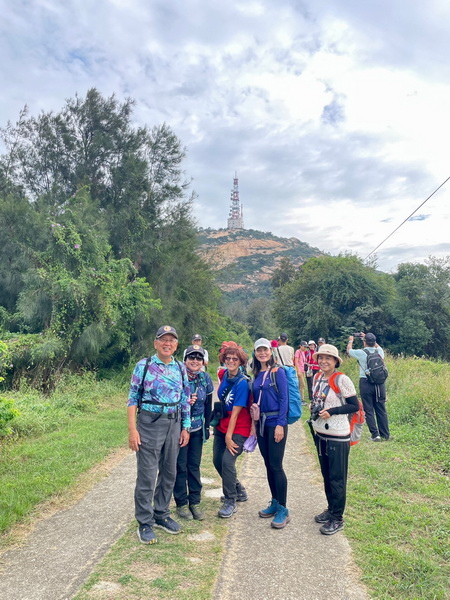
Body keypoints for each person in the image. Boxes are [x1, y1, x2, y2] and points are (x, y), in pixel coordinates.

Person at [127, 325, 191, 545]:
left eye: (172, 340)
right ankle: (145, 521)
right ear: (156, 343)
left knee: (169, 471)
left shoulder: (180, 368)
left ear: (176, 344)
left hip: (173, 423)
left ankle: (161, 513)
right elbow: (132, 398)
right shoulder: (144, 366)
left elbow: (185, 398)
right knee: (147, 473)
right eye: (163, 339)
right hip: (149, 423)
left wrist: (186, 426)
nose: (167, 343)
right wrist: (132, 430)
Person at [310, 344, 359, 535]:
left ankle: (337, 518)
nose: (323, 361)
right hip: (321, 433)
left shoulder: (342, 379)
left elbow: (353, 406)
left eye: (328, 358)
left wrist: (332, 411)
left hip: (338, 435)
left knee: (337, 478)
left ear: (335, 361)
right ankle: (331, 509)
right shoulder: (317, 377)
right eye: (321, 358)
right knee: (327, 475)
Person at [252, 338, 290, 529]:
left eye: (265, 350)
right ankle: (274, 501)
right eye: (259, 350)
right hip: (261, 424)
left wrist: (281, 425)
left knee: (276, 465)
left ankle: (283, 508)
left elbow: (284, 399)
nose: (262, 353)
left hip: (275, 422)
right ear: (255, 353)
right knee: (268, 464)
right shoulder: (257, 373)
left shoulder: (278, 371)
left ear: (271, 352)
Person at [174, 345, 213, 521]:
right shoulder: (177, 377)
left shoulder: (205, 378)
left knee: (194, 465)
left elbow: (208, 404)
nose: (195, 361)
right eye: (191, 357)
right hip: (179, 429)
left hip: (197, 428)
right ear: (185, 359)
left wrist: (207, 426)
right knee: (180, 465)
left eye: (198, 358)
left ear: (202, 361)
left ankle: (195, 502)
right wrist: (184, 402)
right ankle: (181, 503)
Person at [213, 341, 251, 518]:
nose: (231, 361)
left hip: (238, 429)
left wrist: (229, 436)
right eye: (228, 358)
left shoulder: (242, 383)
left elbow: (236, 413)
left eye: (235, 359)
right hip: (222, 426)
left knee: (227, 462)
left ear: (241, 361)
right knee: (216, 460)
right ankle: (238, 489)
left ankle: (231, 500)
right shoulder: (224, 376)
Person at [346, 332, 390, 442]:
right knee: (381, 409)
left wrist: (351, 340)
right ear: (374, 342)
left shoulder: (361, 353)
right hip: (379, 384)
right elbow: (377, 346)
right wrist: (367, 337)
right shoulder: (379, 352)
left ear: (364, 342)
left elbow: (349, 351)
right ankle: (385, 434)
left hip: (366, 382)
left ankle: (375, 435)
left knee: (369, 409)